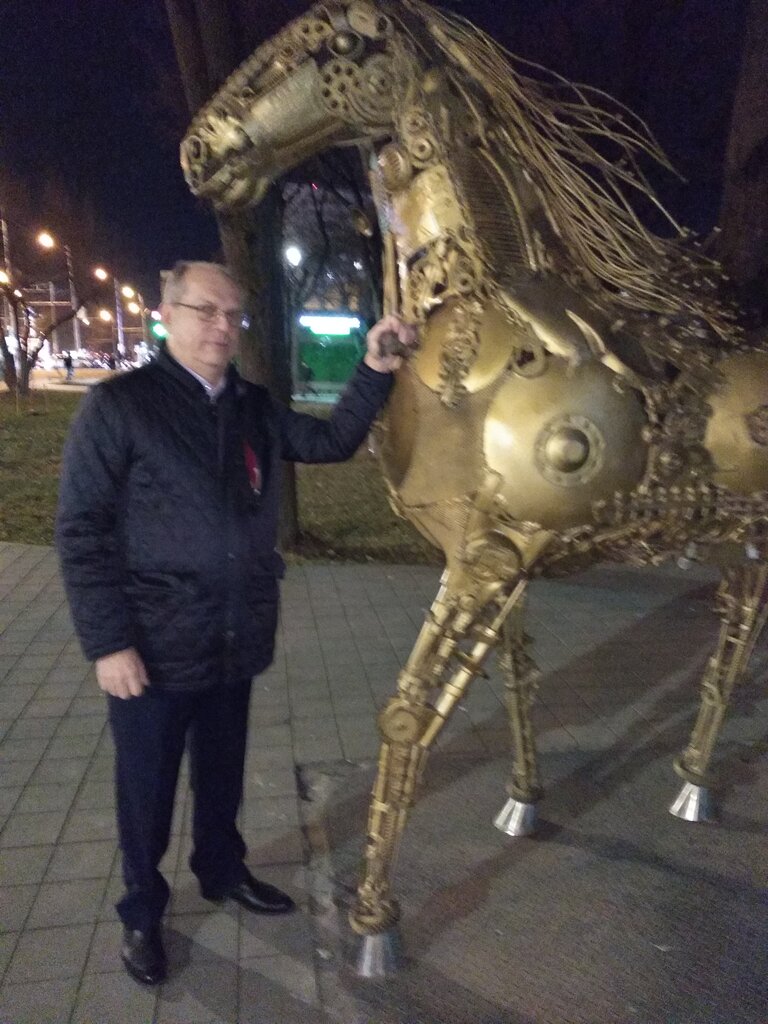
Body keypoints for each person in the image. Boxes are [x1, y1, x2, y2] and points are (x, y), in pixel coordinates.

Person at [55, 260, 416, 986]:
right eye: (205, 310)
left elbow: (331, 443)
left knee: (222, 774)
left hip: (233, 636)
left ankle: (222, 870)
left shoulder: (252, 406)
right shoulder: (120, 406)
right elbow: (81, 531)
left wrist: (375, 369)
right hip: (151, 647)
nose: (222, 326)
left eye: (232, 314)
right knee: (147, 792)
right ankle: (142, 912)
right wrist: (109, 643)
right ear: (167, 315)